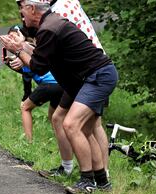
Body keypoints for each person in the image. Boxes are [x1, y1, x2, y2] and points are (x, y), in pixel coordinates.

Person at [1, 0, 118, 194]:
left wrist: (19, 50)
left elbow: (38, 67)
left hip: (97, 76)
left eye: (22, 9)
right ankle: (102, 183)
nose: (21, 14)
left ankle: (87, 180)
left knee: (71, 125)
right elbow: (41, 58)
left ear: (32, 9)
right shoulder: (51, 23)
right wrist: (22, 46)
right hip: (89, 77)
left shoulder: (48, 28)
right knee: (86, 130)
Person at [42, 0, 110, 178]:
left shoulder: (58, 11)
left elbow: (53, 41)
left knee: (92, 125)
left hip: (91, 68)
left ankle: (101, 174)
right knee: (59, 118)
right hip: (81, 71)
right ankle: (68, 167)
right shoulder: (67, 2)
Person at [3, 25, 63, 143]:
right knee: (53, 116)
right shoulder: (32, 46)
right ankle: (61, 141)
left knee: (25, 108)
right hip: (60, 84)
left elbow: (27, 76)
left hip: (49, 83)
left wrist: (26, 95)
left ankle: (28, 142)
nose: (11, 40)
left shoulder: (23, 50)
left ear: (22, 36)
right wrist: (9, 63)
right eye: (9, 37)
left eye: (13, 37)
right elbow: (30, 70)